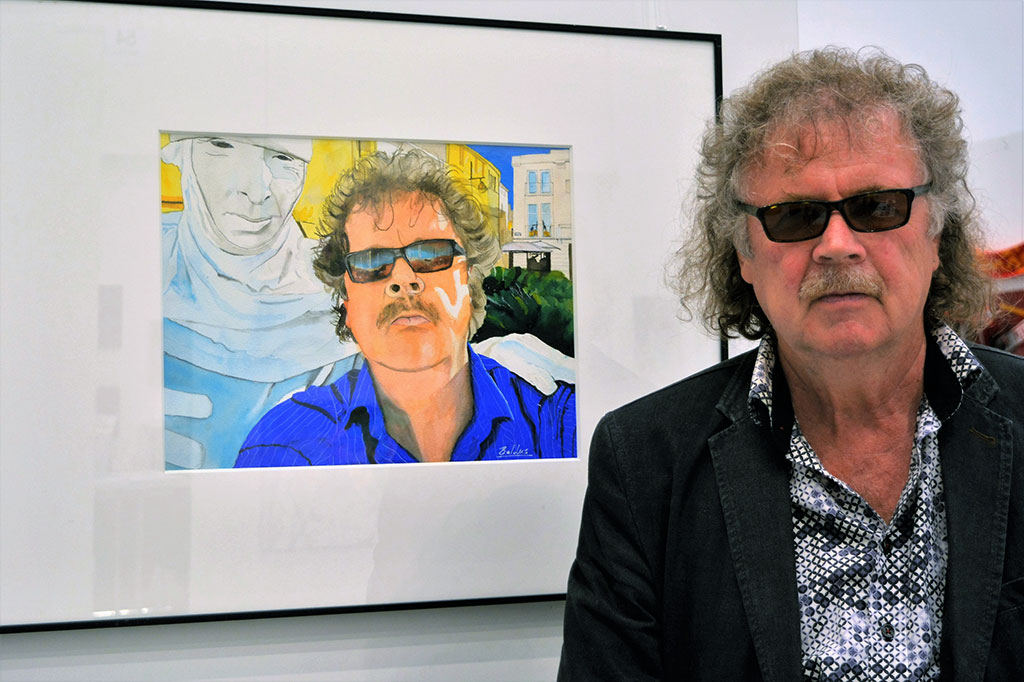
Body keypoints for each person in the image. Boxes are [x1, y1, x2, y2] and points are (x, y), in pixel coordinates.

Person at [559, 48, 1022, 681]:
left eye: (877, 206)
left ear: (937, 234)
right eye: (795, 216)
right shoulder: (644, 461)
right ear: (743, 255)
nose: (837, 245)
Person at [235, 149, 576, 466]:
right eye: (372, 261)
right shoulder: (284, 446)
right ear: (346, 304)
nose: (403, 279)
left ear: (470, 283)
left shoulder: (559, 425)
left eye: (431, 254)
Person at [161, 134, 358, 469]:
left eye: (283, 157)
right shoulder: (134, 266)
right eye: (221, 147)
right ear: (183, 156)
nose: (256, 191)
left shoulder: (348, 286)